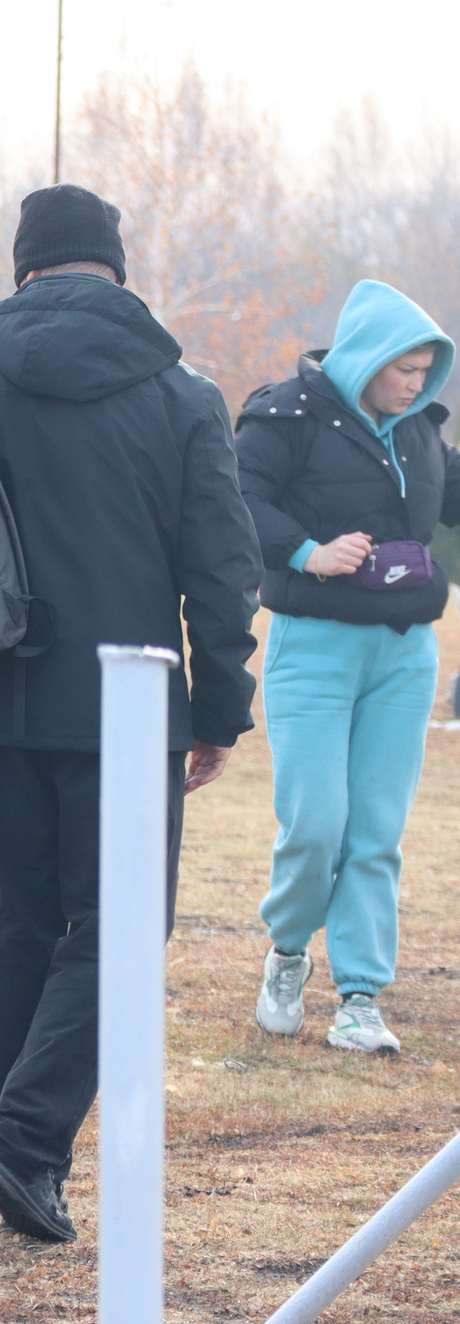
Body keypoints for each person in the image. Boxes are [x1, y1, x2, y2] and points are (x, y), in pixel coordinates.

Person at [0, 184, 261, 1242]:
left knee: (16, 937)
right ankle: (22, 1145)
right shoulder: (181, 392)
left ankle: (17, 1156)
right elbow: (221, 571)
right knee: (121, 935)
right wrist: (217, 705)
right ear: (114, 264)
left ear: (22, 264)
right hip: (127, 705)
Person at [238, 281, 460, 1056]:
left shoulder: (424, 433)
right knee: (317, 822)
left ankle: (361, 997)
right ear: (368, 357)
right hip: (314, 646)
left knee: (376, 831)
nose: (419, 382)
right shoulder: (285, 414)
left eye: (429, 368)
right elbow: (236, 494)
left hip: (405, 655)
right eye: (407, 367)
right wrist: (308, 552)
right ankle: (289, 950)